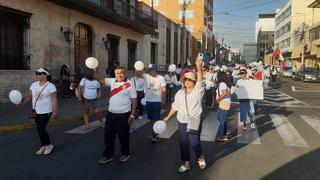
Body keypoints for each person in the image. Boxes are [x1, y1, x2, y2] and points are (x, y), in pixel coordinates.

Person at [163, 58, 206, 173]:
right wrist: (167, 117)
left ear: (194, 81)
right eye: (185, 79)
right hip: (182, 120)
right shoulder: (179, 93)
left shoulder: (198, 91)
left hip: (194, 120)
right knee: (183, 143)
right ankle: (186, 163)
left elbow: (201, 81)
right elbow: (175, 106)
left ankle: (200, 157)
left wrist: (199, 68)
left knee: (194, 142)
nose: (187, 81)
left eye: (189, 80)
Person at [97, 66, 137, 164]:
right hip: (111, 114)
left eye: (121, 73)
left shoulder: (129, 85)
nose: (119, 75)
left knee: (123, 136)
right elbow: (99, 79)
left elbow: (134, 101)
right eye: (117, 73)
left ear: (125, 73)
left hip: (124, 115)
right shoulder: (112, 81)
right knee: (108, 136)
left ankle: (125, 153)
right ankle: (108, 155)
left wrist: (132, 115)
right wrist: (95, 69)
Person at [18, 68, 58, 155]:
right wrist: (22, 103)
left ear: (46, 75)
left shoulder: (51, 86)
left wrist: (55, 111)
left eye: (40, 74)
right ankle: (43, 145)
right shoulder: (34, 85)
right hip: (36, 111)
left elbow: (54, 99)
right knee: (39, 130)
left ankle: (48, 145)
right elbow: (29, 97)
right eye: (37, 73)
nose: (37, 75)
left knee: (41, 129)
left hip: (46, 111)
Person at [144, 64, 166, 142]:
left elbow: (164, 89)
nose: (151, 71)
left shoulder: (161, 78)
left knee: (156, 118)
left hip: (157, 101)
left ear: (156, 70)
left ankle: (156, 135)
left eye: (153, 70)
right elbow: (138, 72)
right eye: (150, 70)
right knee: (151, 118)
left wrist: (163, 100)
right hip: (148, 100)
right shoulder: (146, 76)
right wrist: (146, 69)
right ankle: (153, 132)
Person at [215, 71, 231, 141]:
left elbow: (224, 93)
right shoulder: (224, 84)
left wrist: (218, 99)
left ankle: (224, 136)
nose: (216, 77)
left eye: (217, 76)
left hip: (224, 103)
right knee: (219, 116)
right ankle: (226, 130)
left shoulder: (222, 84)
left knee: (222, 120)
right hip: (224, 102)